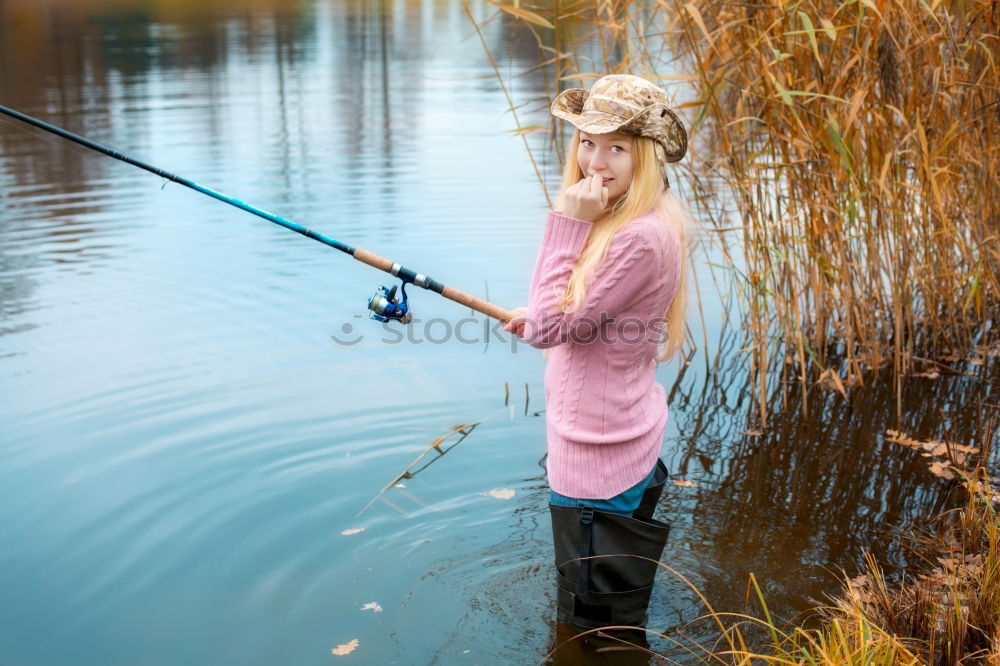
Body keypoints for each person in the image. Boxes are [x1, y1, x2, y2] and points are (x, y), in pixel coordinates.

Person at [502, 73, 690, 628]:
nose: (595, 162)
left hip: (597, 461)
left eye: (616, 148)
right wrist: (541, 314)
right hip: (623, 439)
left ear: (647, 156)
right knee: (607, 613)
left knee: (592, 626)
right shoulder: (644, 218)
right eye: (587, 142)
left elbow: (548, 329)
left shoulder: (635, 236)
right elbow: (570, 316)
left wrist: (566, 223)